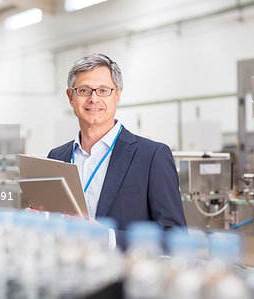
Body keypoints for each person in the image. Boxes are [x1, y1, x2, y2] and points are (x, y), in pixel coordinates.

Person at [47, 53, 187, 250]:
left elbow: (175, 237)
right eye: (84, 90)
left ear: (118, 95)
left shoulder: (151, 156)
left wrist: (107, 238)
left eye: (103, 90)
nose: (93, 98)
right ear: (70, 97)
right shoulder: (56, 157)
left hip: (123, 277)